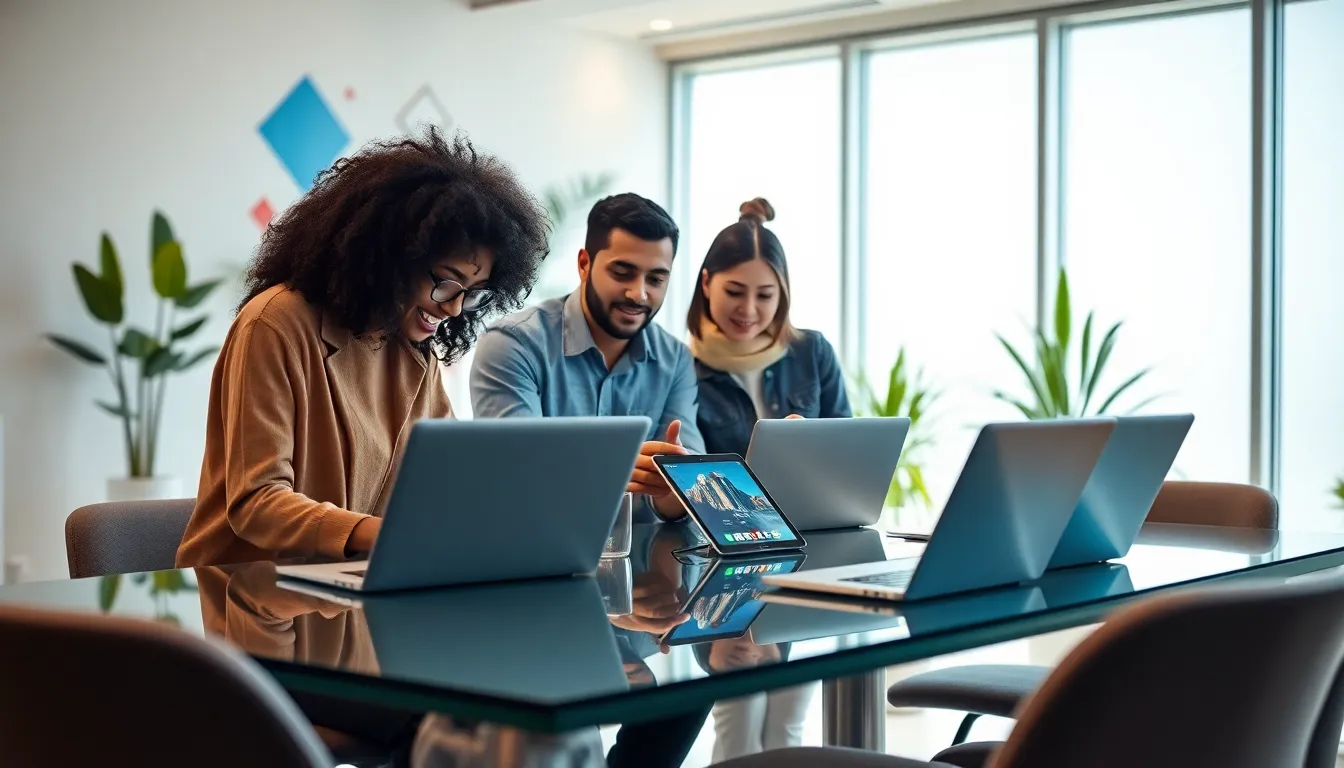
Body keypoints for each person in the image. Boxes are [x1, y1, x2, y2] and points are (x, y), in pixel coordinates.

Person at [176, 128, 551, 568]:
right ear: (391, 255)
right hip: (249, 595)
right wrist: (391, 537)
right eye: (446, 282)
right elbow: (257, 502)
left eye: (474, 293)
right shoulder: (275, 324)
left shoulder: (412, 349)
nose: (453, 308)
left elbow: (449, 479)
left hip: (347, 592)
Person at [470, 193, 705, 521]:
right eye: (622, 272)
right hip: (534, 546)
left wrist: (671, 487)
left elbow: (689, 491)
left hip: (640, 561)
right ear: (584, 265)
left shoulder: (676, 359)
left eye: (655, 279)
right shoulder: (514, 345)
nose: (638, 293)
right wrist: (616, 466)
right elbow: (518, 471)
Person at [688, 197, 851, 456]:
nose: (748, 309)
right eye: (734, 292)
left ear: (782, 294)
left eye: (764, 295)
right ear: (706, 283)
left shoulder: (813, 352)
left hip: (809, 497)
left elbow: (848, 450)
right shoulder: (683, 369)